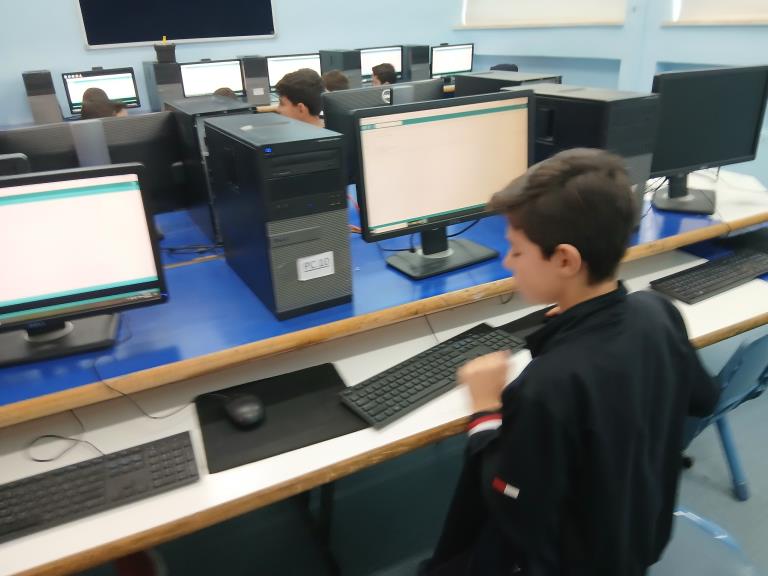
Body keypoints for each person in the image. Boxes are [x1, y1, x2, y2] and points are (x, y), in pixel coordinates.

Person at [421, 149, 719, 576]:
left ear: (565, 260)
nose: (507, 261)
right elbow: (704, 399)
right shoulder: (657, 311)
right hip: (638, 537)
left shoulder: (548, 385)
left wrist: (485, 410)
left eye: (516, 251)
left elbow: (514, 506)